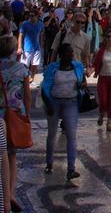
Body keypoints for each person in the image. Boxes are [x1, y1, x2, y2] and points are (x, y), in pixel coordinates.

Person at [41, 42, 85, 181]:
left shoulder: (77, 66)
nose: (71, 54)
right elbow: (45, 87)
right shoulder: (52, 68)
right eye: (68, 52)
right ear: (61, 55)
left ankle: (71, 168)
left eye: (71, 52)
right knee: (52, 134)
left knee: (71, 135)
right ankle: (49, 162)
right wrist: (48, 104)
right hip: (54, 102)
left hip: (71, 102)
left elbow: (82, 80)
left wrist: (82, 85)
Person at [0, 35, 30, 211]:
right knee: (12, 155)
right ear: (13, 51)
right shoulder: (22, 69)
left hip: (0, 112)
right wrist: (27, 115)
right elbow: (27, 95)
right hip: (16, 114)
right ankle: (10, 193)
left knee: (1, 153)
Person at [16, 9, 43, 80]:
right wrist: (19, 47)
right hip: (27, 48)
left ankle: (32, 77)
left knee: (35, 64)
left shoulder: (41, 24)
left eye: (32, 16)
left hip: (37, 48)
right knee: (25, 65)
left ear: (37, 16)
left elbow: (41, 33)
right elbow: (20, 35)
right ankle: (24, 78)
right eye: (30, 15)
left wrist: (41, 43)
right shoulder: (25, 24)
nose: (30, 17)